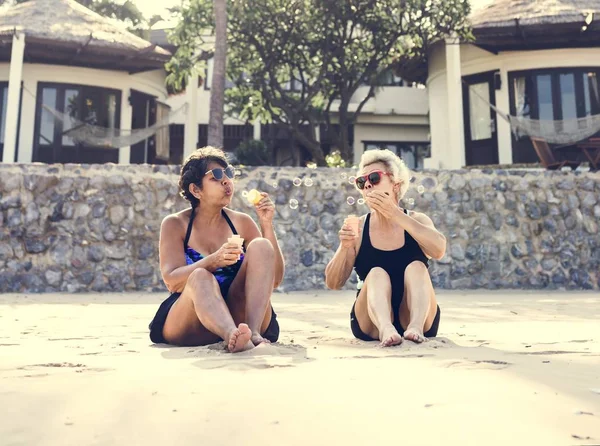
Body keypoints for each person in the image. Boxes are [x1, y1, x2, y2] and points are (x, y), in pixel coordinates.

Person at [149, 147, 285, 352]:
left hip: (240, 317)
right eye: (216, 176)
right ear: (196, 190)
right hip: (191, 319)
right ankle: (232, 335)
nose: (226, 181)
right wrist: (213, 260)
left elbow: (274, 280)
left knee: (261, 245)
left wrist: (266, 225)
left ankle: (253, 334)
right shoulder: (175, 224)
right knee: (200, 277)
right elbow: (172, 281)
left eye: (229, 173)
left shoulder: (242, 222)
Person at [325, 149, 446, 346]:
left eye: (374, 177)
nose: (368, 185)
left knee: (417, 266)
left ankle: (414, 327)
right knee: (376, 273)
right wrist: (345, 247)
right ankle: (386, 329)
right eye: (362, 182)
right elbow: (333, 283)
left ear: (396, 184)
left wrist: (395, 214)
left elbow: (439, 250)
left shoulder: (417, 220)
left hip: (420, 317)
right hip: (371, 321)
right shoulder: (359, 227)